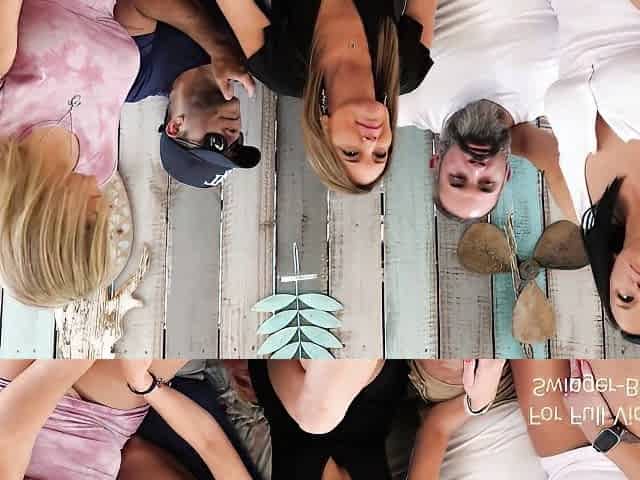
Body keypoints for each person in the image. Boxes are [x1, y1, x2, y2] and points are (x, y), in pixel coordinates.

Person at [0, 0, 143, 308]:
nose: (105, 211)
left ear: (47, 225)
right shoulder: (100, 165)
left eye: (90, 226)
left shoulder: (4, 119)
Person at [217, 0, 436, 193]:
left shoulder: (279, 69)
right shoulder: (408, 68)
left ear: (324, 129)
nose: (371, 143)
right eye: (380, 154)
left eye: (351, 152)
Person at [522, 0, 640, 340]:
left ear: (609, 282)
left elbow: (533, 147)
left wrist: (488, 142)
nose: (637, 287)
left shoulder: (585, 210)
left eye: (626, 298)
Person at [397, 0, 574, 221]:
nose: (476, 169)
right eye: (486, 183)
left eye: (458, 179)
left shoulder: (405, 102)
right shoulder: (552, 92)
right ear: (506, 173)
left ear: (436, 161)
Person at [0, 359, 255, 480]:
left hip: (14, 399)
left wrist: (82, 349)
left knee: (48, 293)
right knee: (177, 322)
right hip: (105, 417)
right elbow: (210, 444)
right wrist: (146, 386)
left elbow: (8, 436)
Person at [115, 0, 262, 188]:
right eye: (236, 143)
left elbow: (137, 3)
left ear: (176, 127)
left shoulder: (138, 80)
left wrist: (219, 48)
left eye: (217, 144)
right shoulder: (250, 55)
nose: (233, 134)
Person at [247, 359, 408, 480]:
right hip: (374, 390)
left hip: (285, 390)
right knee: (319, 416)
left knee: (317, 418)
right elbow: (429, 421)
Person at [406, 360, 546, 479]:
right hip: (539, 403)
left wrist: (474, 405)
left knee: (453, 359)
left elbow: (435, 427)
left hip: (462, 400)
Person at [512, 359, 640, 479]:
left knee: (535, 346)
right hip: (628, 439)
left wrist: (600, 433)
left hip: (570, 458)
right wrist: (602, 431)